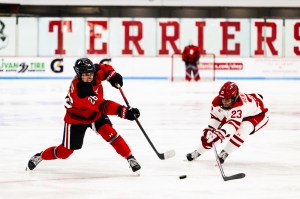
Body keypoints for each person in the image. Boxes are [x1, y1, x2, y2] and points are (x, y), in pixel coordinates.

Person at [26, 58, 141, 173]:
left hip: (95, 114)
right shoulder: (80, 90)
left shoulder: (95, 71)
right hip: (76, 119)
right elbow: (102, 106)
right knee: (64, 153)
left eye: (90, 74)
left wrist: (113, 76)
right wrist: (124, 112)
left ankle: (130, 158)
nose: (88, 77)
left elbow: (105, 68)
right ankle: (40, 156)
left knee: (110, 133)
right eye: (85, 75)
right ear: (79, 74)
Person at [186, 81, 269, 163]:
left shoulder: (240, 106)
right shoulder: (216, 102)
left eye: (227, 99)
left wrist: (221, 133)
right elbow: (216, 118)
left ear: (235, 97)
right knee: (211, 137)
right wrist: (210, 129)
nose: (224, 102)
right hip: (243, 111)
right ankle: (197, 152)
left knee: (244, 128)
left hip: (259, 115)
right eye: (223, 99)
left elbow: (232, 126)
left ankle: (225, 153)